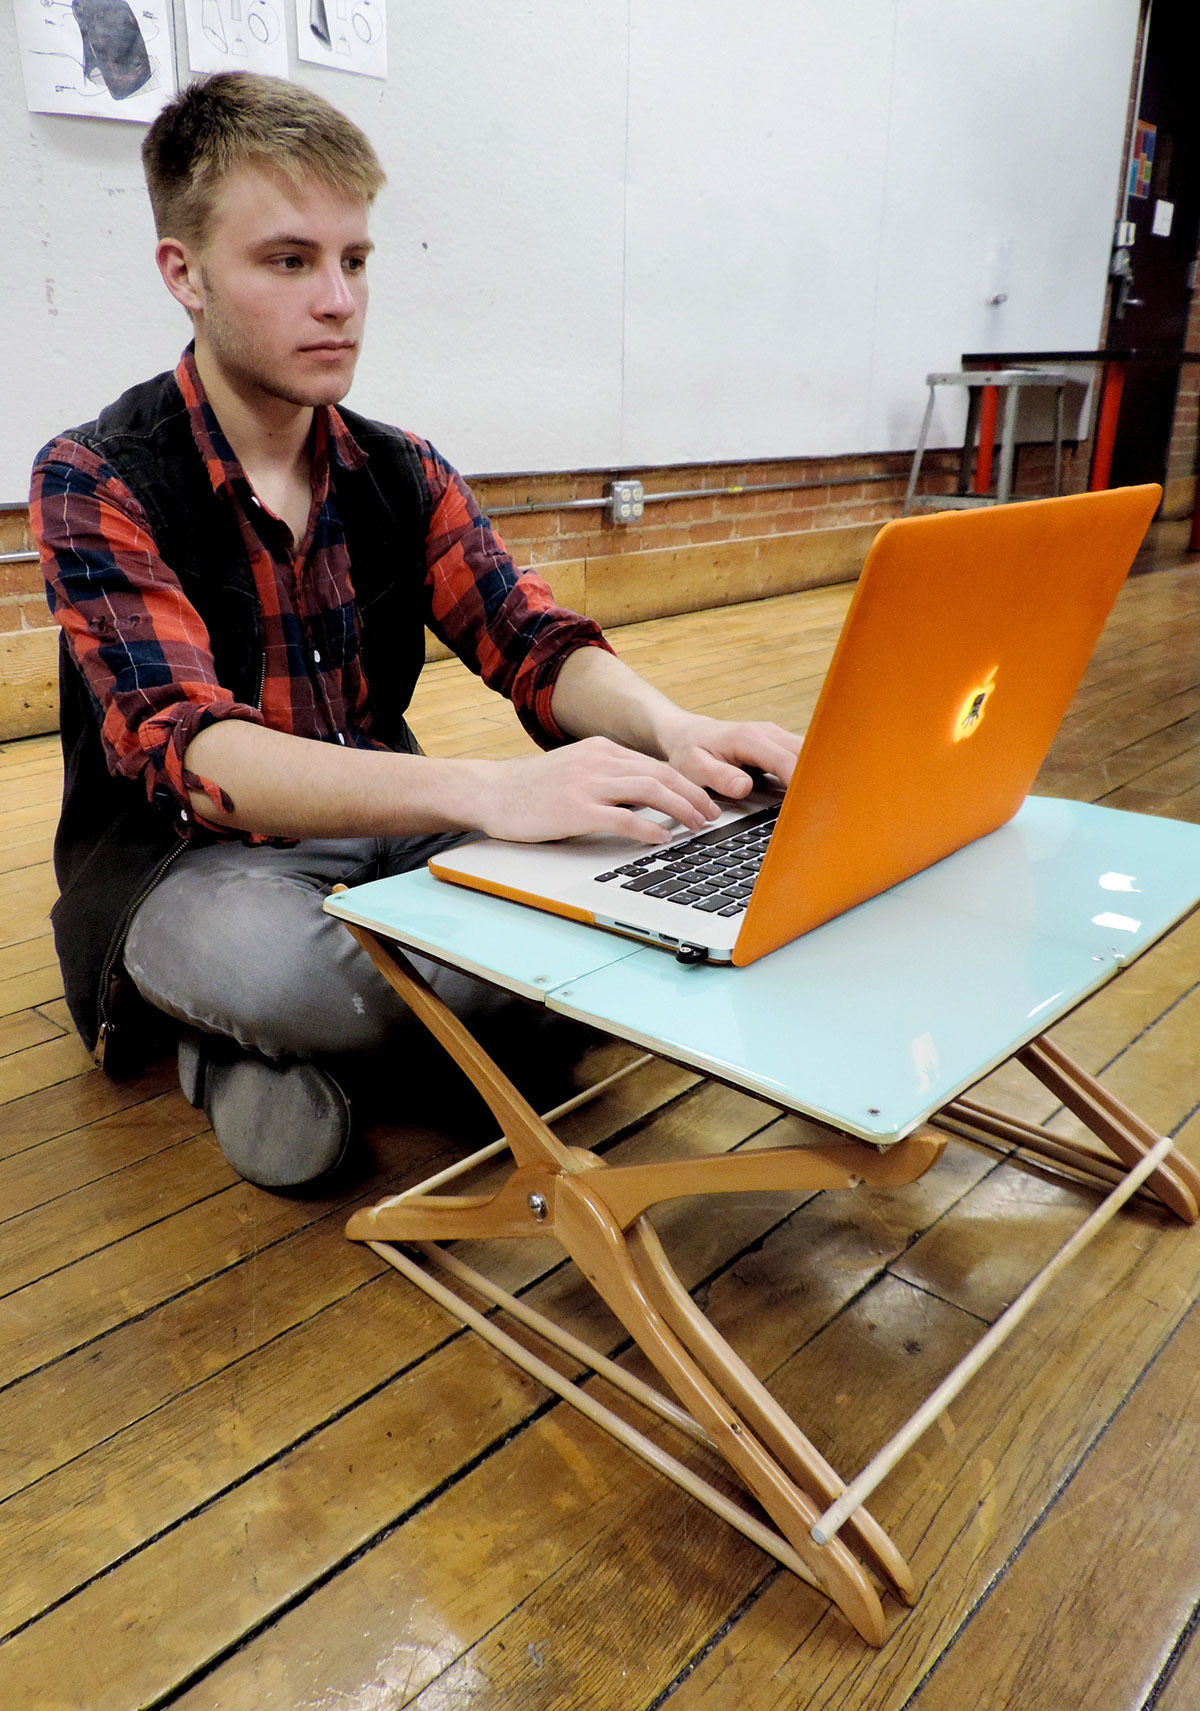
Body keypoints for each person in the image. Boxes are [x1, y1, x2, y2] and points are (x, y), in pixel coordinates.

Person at [31, 72, 801, 1190]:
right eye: (289, 261)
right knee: (280, 967)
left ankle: (313, 1057)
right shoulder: (96, 475)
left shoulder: (397, 467)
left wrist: (673, 730)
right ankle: (363, 1033)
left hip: (390, 828)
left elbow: (530, 638)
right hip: (193, 869)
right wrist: (489, 794)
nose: (339, 300)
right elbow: (199, 761)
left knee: (645, 853)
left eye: (355, 260)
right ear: (182, 274)